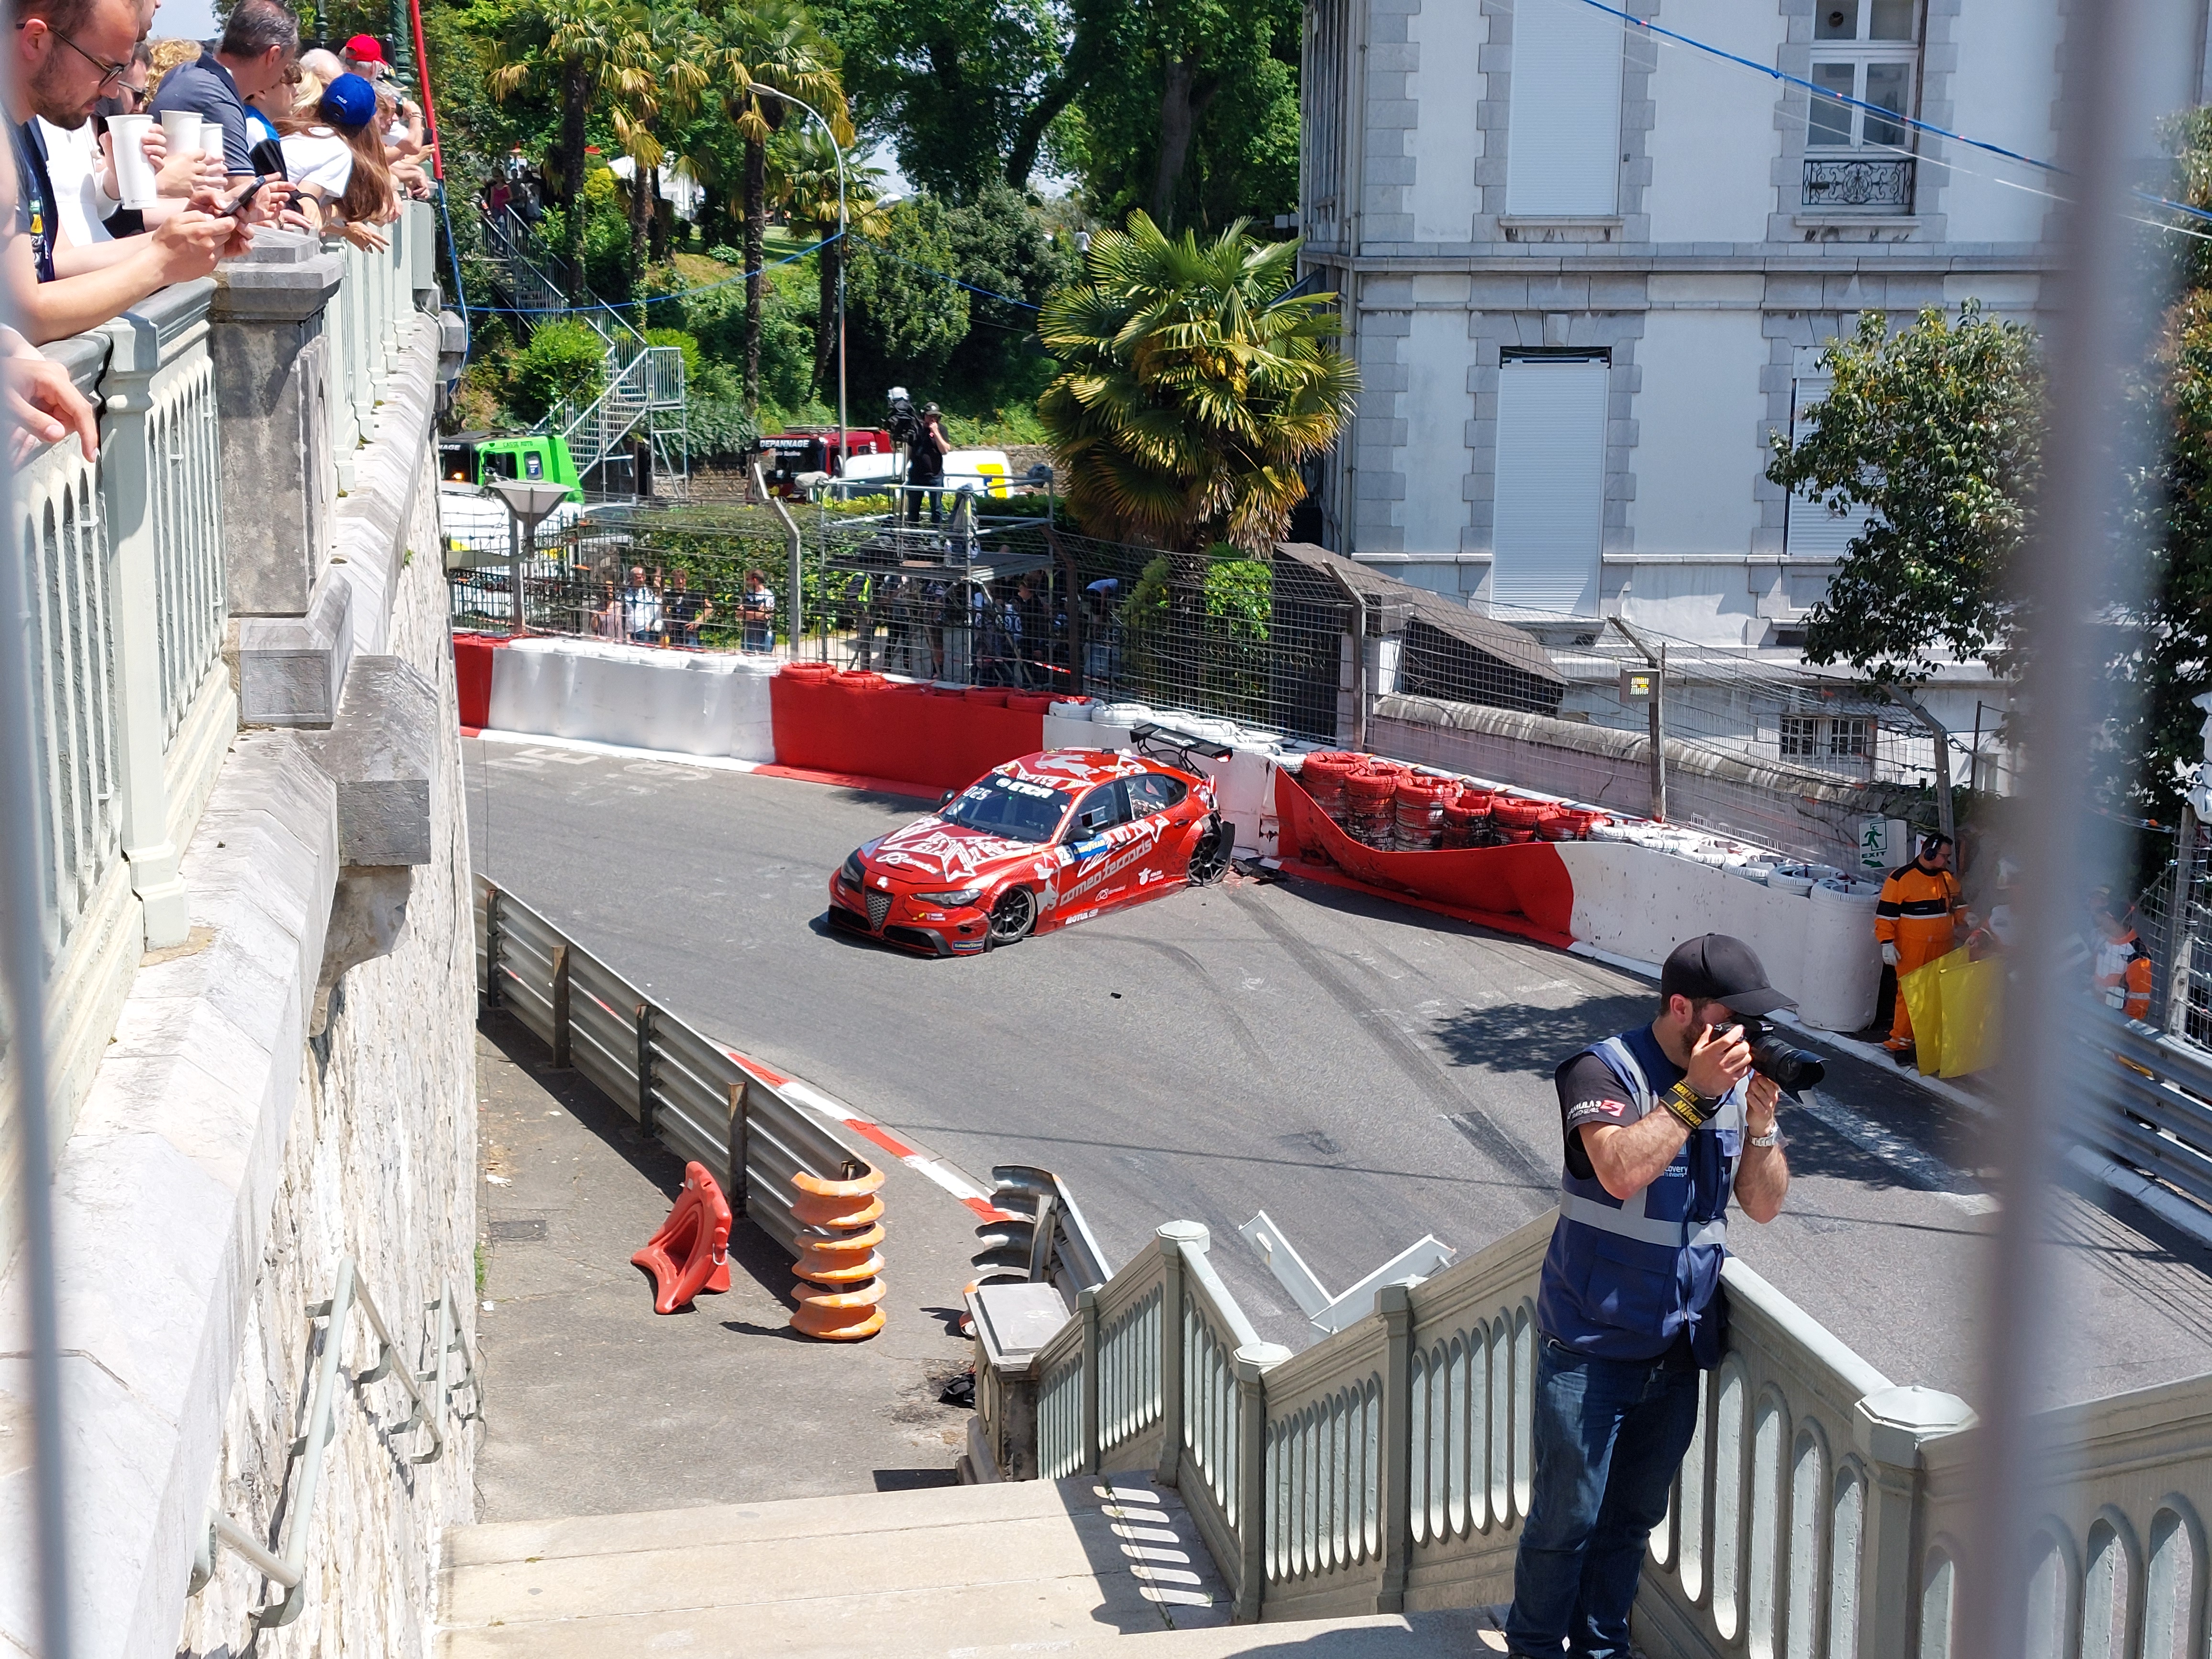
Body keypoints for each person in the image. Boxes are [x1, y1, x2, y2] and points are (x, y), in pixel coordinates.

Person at [1504, 934, 1792, 1659]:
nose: (1745, 1037)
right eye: (1733, 1020)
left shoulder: (1728, 1093)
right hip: (1590, 1346)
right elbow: (1620, 1171)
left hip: (1676, 1346)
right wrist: (1694, 1093)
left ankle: (1602, 1649)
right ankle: (1536, 1648)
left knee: (1631, 1519)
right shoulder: (1603, 1069)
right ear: (1681, 1009)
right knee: (1565, 1520)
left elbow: (1762, 1205)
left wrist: (1760, 1125)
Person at [6, 0, 249, 343]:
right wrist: (161, 262)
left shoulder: (26, 130)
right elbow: (26, 314)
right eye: (105, 67)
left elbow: (53, 264)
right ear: (35, 40)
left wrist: (179, 239)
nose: (110, 90)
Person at [146, 0, 298, 183]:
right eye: (287, 62)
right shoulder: (218, 100)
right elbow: (242, 193)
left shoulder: (184, 72)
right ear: (273, 56)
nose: (285, 71)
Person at [1873, 830, 1965, 1064]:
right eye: (1945, 856)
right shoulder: (1900, 879)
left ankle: (1927, 1043)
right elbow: (1886, 917)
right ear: (1931, 852)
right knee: (1911, 996)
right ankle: (1901, 1044)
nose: (1948, 861)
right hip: (1913, 949)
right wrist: (1886, 943)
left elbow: (1958, 905)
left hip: (1943, 948)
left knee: (1936, 996)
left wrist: (1969, 917)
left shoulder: (1946, 878)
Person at [276, 71, 394, 249]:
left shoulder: (296, 130)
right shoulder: (339, 151)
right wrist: (330, 214)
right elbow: (302, 207)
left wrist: (340, 225)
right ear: (366, 124)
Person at [2091, 899, 2154, 1022]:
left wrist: (2120, 1028)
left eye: (2103, 916)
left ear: (2111, 918)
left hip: (2110, 1021)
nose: (2099, 920)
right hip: (2091, 1010)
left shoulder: (2138, 957)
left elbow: (2138, 1007)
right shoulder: (2101, 937)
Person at [904, 400, 947, 527]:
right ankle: (913, 540)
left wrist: (936, 433)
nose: (933, 419)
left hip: (935, 476)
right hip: (917, 476)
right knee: (913, 510)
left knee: (937, 509)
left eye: (936, 417)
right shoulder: (917, 430)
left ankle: (935, 538)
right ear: (924, 416)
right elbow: (910, 450)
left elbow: (945, 450)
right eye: (930, 416)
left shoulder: (942, 429)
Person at [664, 568, 711, 647]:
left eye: (682, 579)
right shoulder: (668, 596)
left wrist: (698, 621)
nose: (681, 582)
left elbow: (710, 608)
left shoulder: (694, 595)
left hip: (690, 634)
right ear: (673, 581)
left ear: (686, 580)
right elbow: (662, 609)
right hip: (674, 636)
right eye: (677, 579)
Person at [620, 565, 661, 645]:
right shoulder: (625, 592)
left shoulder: (648, 592)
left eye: (643, 577)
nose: (642, 580)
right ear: (632, 578)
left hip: (644, 630)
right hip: (630, 631)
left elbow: (655, 610)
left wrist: (649, 624)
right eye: (638, 577)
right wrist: (627, 631)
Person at [740, 570, 774, 653]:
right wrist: (758, 614)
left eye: (749, 579)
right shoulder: (748, 596)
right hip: (748, 634)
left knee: (765, 659)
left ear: (755, 580)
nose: (747, 583)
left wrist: (748, 613)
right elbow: (739, 614)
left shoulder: (768, 596)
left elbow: (766, 616)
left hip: (763, 634)